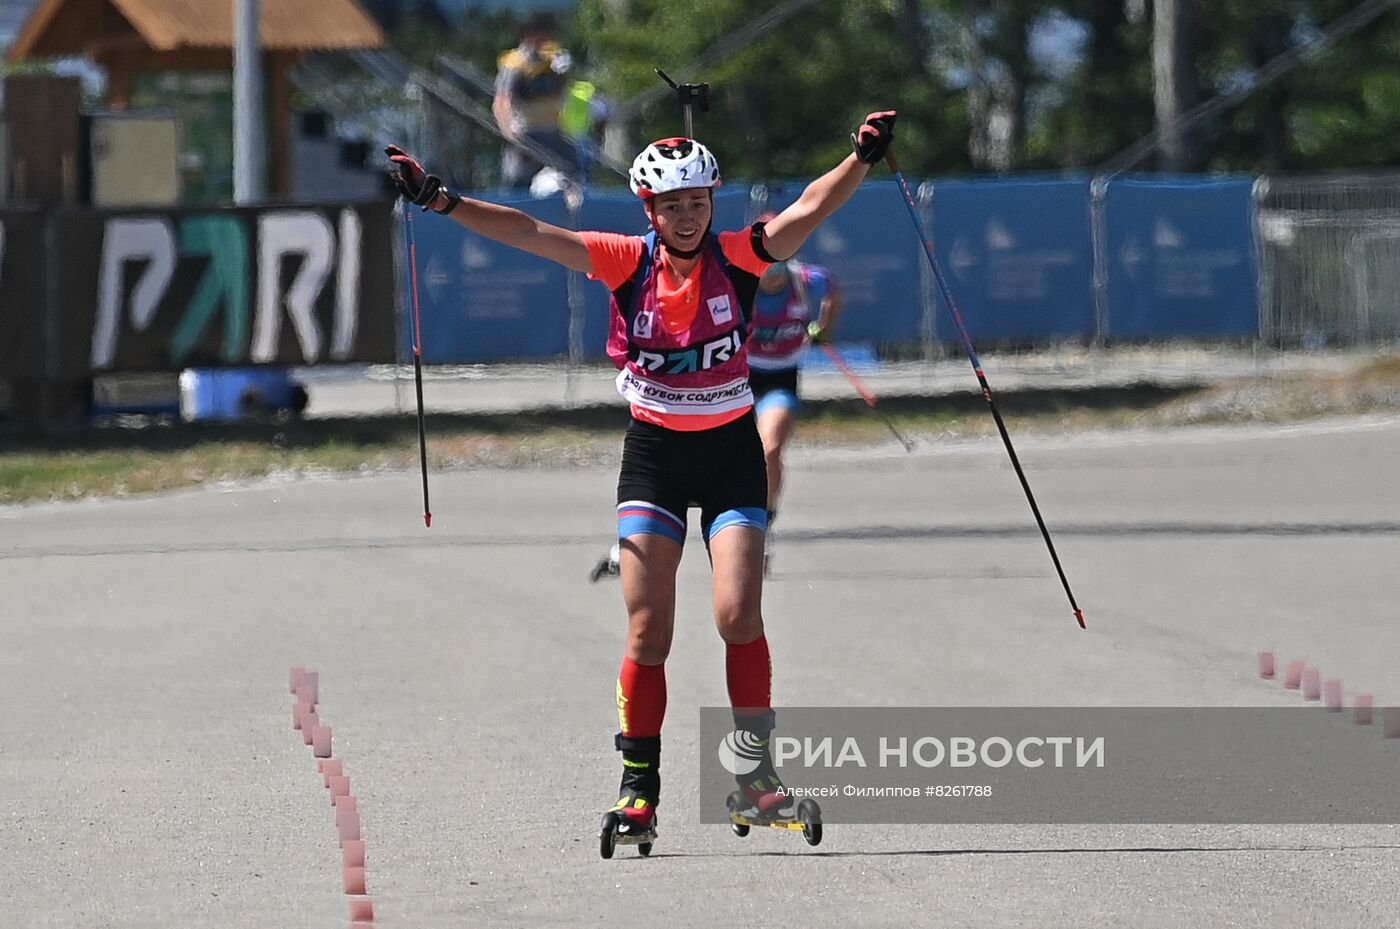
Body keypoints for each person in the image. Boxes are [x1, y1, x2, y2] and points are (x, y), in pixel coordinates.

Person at [385, 110, 896, 849]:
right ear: (649, 209)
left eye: (698, 201)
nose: (687, 216)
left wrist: (861, 158)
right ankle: (638, 792)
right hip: (654, 456)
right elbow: (530, 233)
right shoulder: (624, 260)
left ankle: (754, 779)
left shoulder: (743, 255)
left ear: (711, 202)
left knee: (736, 616)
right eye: (672, 205)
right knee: (648, 627)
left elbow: (811, 208)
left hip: (730, 454)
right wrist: (441, 199)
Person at [747, 223, 844, 574]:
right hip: (740, 378)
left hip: (781, 377)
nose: (772, 274)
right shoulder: (739, 280)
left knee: (770, 447)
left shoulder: (803, 280)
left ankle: (765, 520)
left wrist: (822, 328)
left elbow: (834, 290)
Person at [492, 13, 578, 190]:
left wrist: (563, 71)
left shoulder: (553, 59)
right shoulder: (515, 63)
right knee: (518, 180)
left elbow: (561, 91)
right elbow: (503, 99)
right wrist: (508, 130)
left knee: (568, 174)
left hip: (554, 130)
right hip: (526, 132)